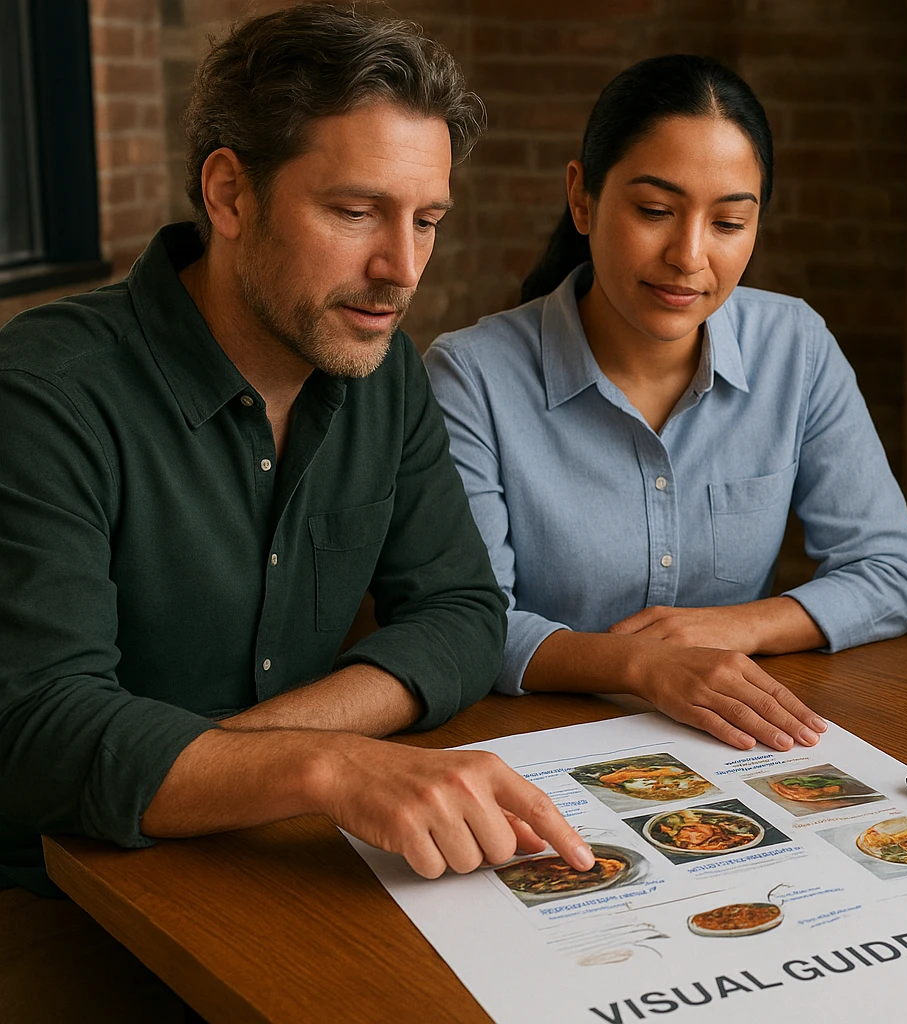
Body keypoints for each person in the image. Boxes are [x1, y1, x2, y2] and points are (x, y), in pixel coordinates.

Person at [0, 8, 591, 1017]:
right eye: (357, 211)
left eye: (427, 219)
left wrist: (253, 759)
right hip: (71, 909)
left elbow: (458, 610)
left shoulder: (382, 369)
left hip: (294, 877)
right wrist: (323, 766)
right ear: (230, 193)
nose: (403, 269)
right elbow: (41, 729)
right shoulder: (45, 391)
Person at [425, 55, 907, 752]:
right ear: (583, 198)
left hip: (732, 742)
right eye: (655, 211)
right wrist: (643, 664)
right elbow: (468, 624)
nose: (690, 256)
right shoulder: (471, 376)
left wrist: (736, 627)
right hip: (534, 745)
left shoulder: (796, 347)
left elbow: (892, 574)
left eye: (728, 223)